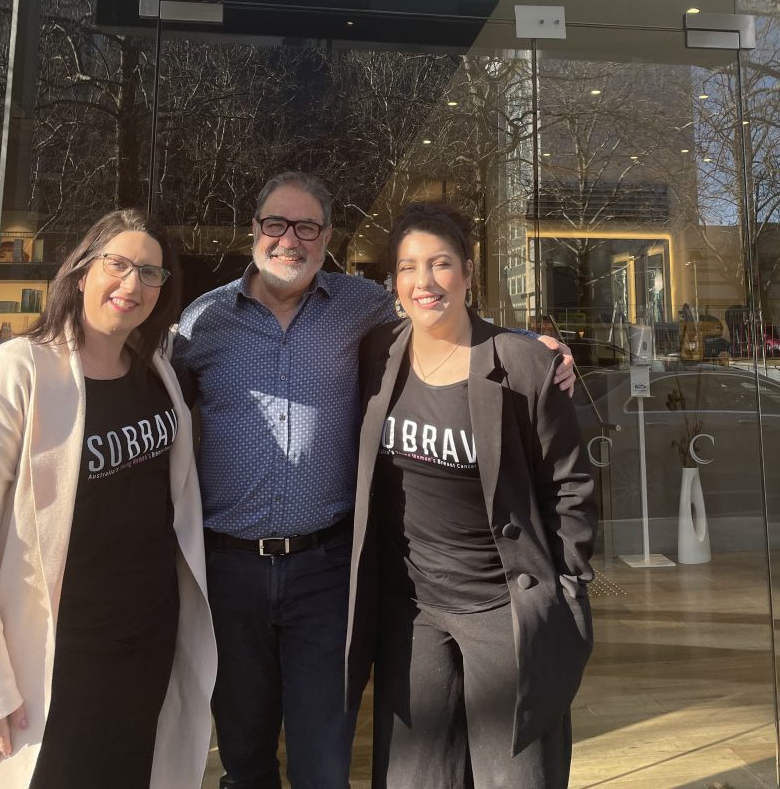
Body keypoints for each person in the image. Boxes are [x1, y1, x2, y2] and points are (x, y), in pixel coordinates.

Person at [173, 169, 575, 789]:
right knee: (244, 749)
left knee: (323, 759)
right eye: (276, 224)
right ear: (254, 231)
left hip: (325, 575)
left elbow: (439, 312)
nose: (290, 240)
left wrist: (532, 349)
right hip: (229, 574)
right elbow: (150, 396)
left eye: (307, 226)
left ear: (327, 236)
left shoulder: (360, 308)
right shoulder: (202, 325)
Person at [346, 202, 597, 789]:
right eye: (408, 268)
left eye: (439, 264)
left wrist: (563, 589)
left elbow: (571, 483)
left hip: (503, 608)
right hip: (413, 611)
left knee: (517, 776)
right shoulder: (377, 355)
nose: (423, 282)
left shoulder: (521, 363)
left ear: (468, 269)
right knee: (417, 777)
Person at [0, 208, 216, 789]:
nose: (131, 285)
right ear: (81, 270)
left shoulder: (156, 374)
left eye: (151, 273)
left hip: (147, 641)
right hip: (61, 655)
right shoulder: (21, 371)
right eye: (117, 264)